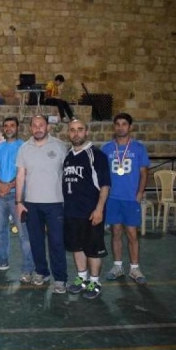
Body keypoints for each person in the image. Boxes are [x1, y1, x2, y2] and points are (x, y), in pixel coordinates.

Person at [15, 115, 68, 294]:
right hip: (31, 204)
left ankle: (60, 279)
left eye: (41, 125)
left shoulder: (60, 146)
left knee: (57, 242)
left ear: (48, 127)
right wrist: (19, 202)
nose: (38, 128)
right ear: (30, 128)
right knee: (36, 241)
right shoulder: (24, 148)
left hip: (55, 203)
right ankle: (41, 272)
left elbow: (67, 174)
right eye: (35, 125)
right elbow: (20, 176)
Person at [63, 120, 111, 299]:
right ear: (68, 133)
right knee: (77, 247)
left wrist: (99, 209)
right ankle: (82, 278)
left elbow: (105, 185)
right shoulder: (68, 155)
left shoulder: (96, 155)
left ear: (86, 132)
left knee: (92, 249)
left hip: (91, 212)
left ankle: (94, 281)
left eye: (80, 130)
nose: (76, 133)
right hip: (71, 212)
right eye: (72, 130)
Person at [102, 113, 150, 284]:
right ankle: (117, 266)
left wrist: (139, 193)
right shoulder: (107, 148)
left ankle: (135, 268)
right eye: (118, 124)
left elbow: (144, 173)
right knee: (115, 232)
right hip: (113, 198)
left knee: (131, 233)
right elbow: (102, 174)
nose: (120, 127)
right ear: (114, 126)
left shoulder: (138, 148)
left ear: (130, 127)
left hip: (131, 198)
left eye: (124, 124)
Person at [0, 117, 34, 281]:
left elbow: (26, 170)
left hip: (18, 197)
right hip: (0, 196)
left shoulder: (24, 147)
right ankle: (2, 261)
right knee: (0, 230)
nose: (9, 128)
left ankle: (28, 268)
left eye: (12, 125)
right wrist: (0, 185)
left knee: (23, 234)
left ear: (17, 127)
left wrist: (9, 186)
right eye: (6, 126)